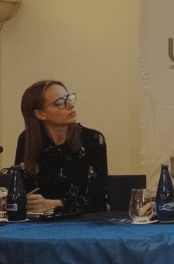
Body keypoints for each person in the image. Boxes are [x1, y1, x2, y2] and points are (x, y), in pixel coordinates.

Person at [14, 80, 109, 214]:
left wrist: (57, 204)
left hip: (85, 221)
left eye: (69, 98)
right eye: (60, 102)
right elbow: (23, 192)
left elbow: (99, 200)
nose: (70, 105)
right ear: (40, 114)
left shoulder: (92, 139)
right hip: (40, 221)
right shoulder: (26, 140)